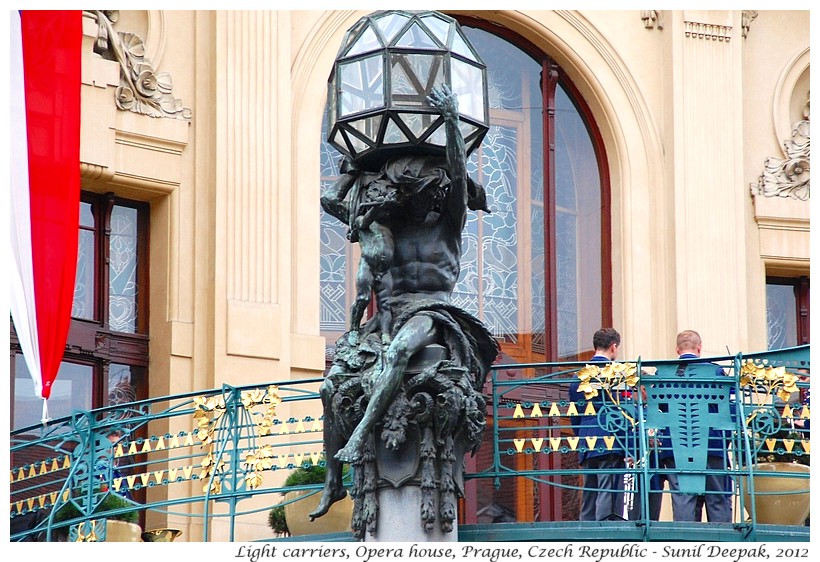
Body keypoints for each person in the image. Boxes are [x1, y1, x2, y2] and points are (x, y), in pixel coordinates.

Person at [310, 84, 498, 520]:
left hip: (433, 311)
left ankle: (359, 438)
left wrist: (451, 122)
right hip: (387, 315)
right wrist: (356, 168)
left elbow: (455, 170)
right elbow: (335, 202)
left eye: (421, 186)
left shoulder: (448, 221)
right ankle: (334, 481)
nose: (416, 193)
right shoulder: (384, 226)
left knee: (398, 353)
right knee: (329, 385)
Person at [653, 330, 732, 522]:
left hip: (675, 446)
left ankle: (684, 544)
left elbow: (659, 407)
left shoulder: (663, 373)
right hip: (711, 444)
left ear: (677, 349)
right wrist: (724, 441)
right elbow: (728, 411)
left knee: (683, 499)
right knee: (717, 498)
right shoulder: (715, 371)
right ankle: (723, 546)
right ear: (700, 347)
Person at [568, 328, 630, 521]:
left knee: (590, 492)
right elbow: (623, 411)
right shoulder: (618, 375)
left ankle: (585, 531)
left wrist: (582, 438)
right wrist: (628, 445)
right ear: (613, 347)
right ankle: (606, 535)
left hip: (587, 440)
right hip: (611, 438)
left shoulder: (578, 376)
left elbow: (575, 413)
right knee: (608, 492)